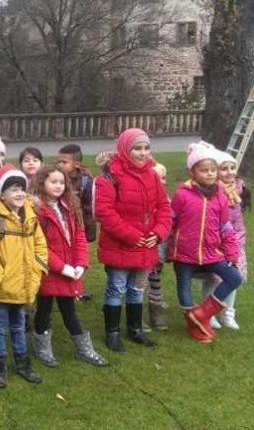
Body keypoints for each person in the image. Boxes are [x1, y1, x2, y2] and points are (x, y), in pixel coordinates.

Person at [94, 129, 171, 352]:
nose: (143, 153)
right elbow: (105, 213)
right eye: (137, 148)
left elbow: (164, 207)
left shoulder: (152, 175)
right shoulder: (108, 178)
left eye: (146, 148)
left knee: (137, 289)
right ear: (125, 149)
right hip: (121, 244)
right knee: (117, 288)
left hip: (147, 244)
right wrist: (133, 236)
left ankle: (135, 329)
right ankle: (112, 332)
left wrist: (158, 233)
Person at [31, 165, 108, 367]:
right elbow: (39, 246)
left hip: (69, 269)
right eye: (53, 182)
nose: (58, 186)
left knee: (69, 310)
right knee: (44, 310)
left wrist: (81, 262)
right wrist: (61, 267)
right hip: (48, 271)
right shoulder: (36, 210)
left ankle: (84, 348)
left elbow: (79, 236)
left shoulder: (70, 207)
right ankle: (42, 347)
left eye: (61, 182)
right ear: (41, 183)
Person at [0, 164, 46, 388]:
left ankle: (22, 363)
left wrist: (38, 269)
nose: (19, 194)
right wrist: (1, 276)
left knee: (19, 324)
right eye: (13, 189)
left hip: (25, 284)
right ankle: (0, 367)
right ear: (1, 194)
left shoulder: (30, 216)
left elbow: (40, 245)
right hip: (3, 286)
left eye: (21, 189)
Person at [168, 143, 242, 344]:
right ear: (192, 171)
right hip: (184, 254)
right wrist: (166, 247)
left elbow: (225, 227)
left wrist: (232, 254)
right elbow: (171, 221)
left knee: (235, 278)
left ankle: (203, 314)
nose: (210, 174)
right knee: (183, 286)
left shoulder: (221, 196)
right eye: (204, 170)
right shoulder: (182, 194)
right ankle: (193, 325)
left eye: (212, 170)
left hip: (211, 253)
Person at [201, 149, 251, 330]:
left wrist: (237, 241)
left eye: (232, 168)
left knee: (234, 278)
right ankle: (208, 313)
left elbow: (238, 222)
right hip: (215, 245)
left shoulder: (238, 190)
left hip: (235, 243)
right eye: (224, 169)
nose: (230, 172)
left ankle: (228, 313)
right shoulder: (211, 192)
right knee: (213, 279)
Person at [56, 144, 97, 243]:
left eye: (64, 162)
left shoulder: (85, 181)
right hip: (60, 223)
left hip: (78, 224)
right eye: (59, 162)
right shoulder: (55, 178)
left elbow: (88, 208)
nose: (60, 165)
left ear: (77, 164)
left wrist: (89, 233)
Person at [146, 162, 170, 331]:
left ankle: (156, 311)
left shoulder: (166, 200)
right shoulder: (145, 198)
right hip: (144, 246)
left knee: (155, 280)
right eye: (156, 177)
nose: (161, 181)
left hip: (160, 246)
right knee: (139, 283)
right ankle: (137, 314)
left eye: (163, 177)